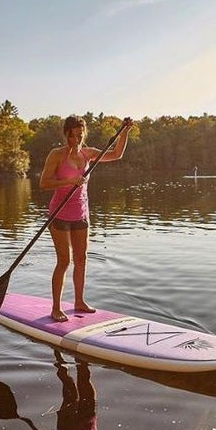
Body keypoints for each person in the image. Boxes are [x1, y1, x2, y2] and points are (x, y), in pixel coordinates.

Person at [40, 115, 133, 322]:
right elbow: (44, 183)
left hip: (81, 214)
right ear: (66, 134)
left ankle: (79, 301)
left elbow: (116, 154)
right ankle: (56, 307)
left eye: (79, 135)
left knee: (81, 260)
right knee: (64, 261)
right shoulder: (56, 155)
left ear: (84, 134)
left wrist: (124, 131)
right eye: (72, 136)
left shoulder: (88, 154)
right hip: (59, 214)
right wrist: (68, 180)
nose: (76, 140)